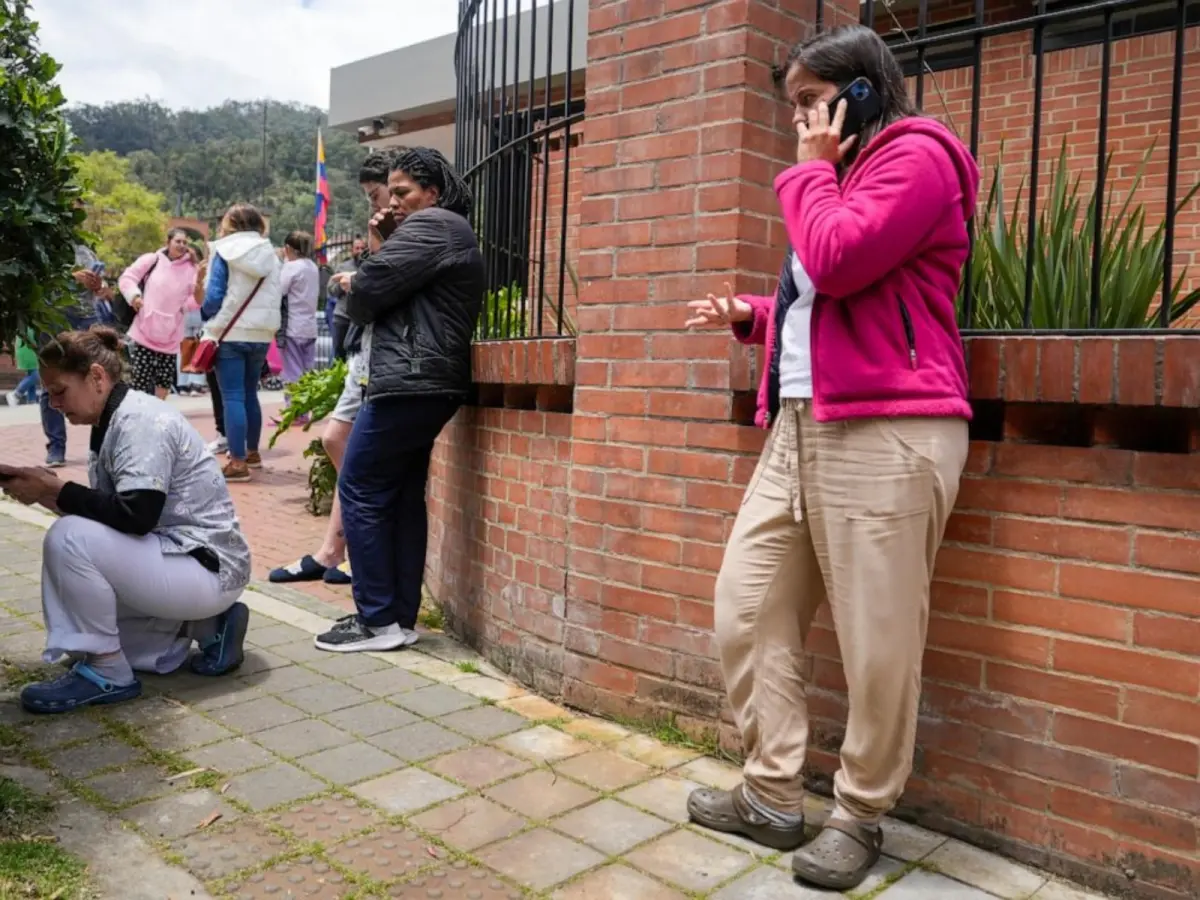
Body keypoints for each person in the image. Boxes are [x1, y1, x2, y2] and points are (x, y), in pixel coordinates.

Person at [681, 25, 978, 892]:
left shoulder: (918, 157)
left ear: (862, 90)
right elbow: (830, 299)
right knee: (747, 603)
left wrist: (808, 169)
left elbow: (844, 263)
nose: (802, 119)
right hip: (803, 423)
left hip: (891, 425)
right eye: (795, 106)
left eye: (814, 100)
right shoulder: (837, 181)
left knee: (878, 638)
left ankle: (860, 815)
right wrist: (755, 314)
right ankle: (772, 794)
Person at [0, 328, 253, 715]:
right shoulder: (115, 415)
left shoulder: (140, 421)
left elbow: (135, 516)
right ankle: (208, 627)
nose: (52, 403)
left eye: (59, 391)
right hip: (186, 562)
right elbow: (113, 515)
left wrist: (55, 489)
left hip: (205, 566)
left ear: (97, 377)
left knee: (69, 540)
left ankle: (108, 673)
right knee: (88, 631)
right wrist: (46, 492)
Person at [313, 148, 484, 653]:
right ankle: (396, 621)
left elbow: (366, 297)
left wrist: (365, 267)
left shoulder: (433, 224)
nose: (394, 201)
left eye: (403, 191)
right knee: (402, 496)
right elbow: (392, 287)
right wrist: (383, 251)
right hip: (426, 380)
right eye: (392, 192)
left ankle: (377, 619)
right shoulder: (443, 230)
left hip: (411, 379)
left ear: (433, 191)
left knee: (361, 485)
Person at [270, 154, 393, 588]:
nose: (376, 204)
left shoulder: (406, 224)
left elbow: (385, 284)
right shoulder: (387, 224)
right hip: (364, 348)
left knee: (348, 449)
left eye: (375, 194)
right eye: (373, 196)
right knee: (337, 440)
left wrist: (357, 280)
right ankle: (331, 550)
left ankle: (356, 552)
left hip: (384, 354)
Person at [200, 204, 282, 483]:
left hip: (230, 331)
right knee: (249, 393)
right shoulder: (270, 252)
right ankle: (252, 452)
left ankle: (237, 462)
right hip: (261, 333)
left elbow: (213, 297)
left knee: (232, 396)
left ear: (231, 223)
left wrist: (206, 317)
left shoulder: (223, 250)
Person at [39, 245, 104, 467]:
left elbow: (98, 289)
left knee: (99, 380)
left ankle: (101, 445)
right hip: (53, 317)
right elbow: (38, 282)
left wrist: (98, 284)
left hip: (86, 317)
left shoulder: (86, 250)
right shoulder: (48, 241)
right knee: (52, 383)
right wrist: (71, 278)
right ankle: (56, 447)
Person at [119, 229, 201, 400]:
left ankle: (156, 418)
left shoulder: (192, 268)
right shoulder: (152, 259)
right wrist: (134, 296)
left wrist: (184, 307)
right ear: (168, 242)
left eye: (185, 243)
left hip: (170, 337)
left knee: (163, 384)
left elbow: (198, 297)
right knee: (138, 382)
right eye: (178, 241)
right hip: (143, 333)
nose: (182, 245)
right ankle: (136, 417)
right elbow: (128, 277)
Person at [278, 231, 320, 406]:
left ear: (288, 248)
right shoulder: (312, 267)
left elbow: (279, 291)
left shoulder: (291, 267)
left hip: (293, 327)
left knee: (292, 371)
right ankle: (306, 407)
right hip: (310, 326)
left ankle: (294, 410)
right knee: (307, 370)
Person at [326, 235, 366, 362]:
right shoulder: (342, 267)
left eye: (362, 248)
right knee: (339, 355)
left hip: (360, 320)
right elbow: (331, 290)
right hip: (342, 317)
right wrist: (343, 284)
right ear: (352, 250)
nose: (359, 251)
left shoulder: (368, 267)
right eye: (357, 248)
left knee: (357, 356)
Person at [7, 333, 40, 406]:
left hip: (27, 348)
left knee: (32, 373)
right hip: (28, 349)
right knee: (37, 374)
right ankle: (16, 394)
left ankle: (31, 400)